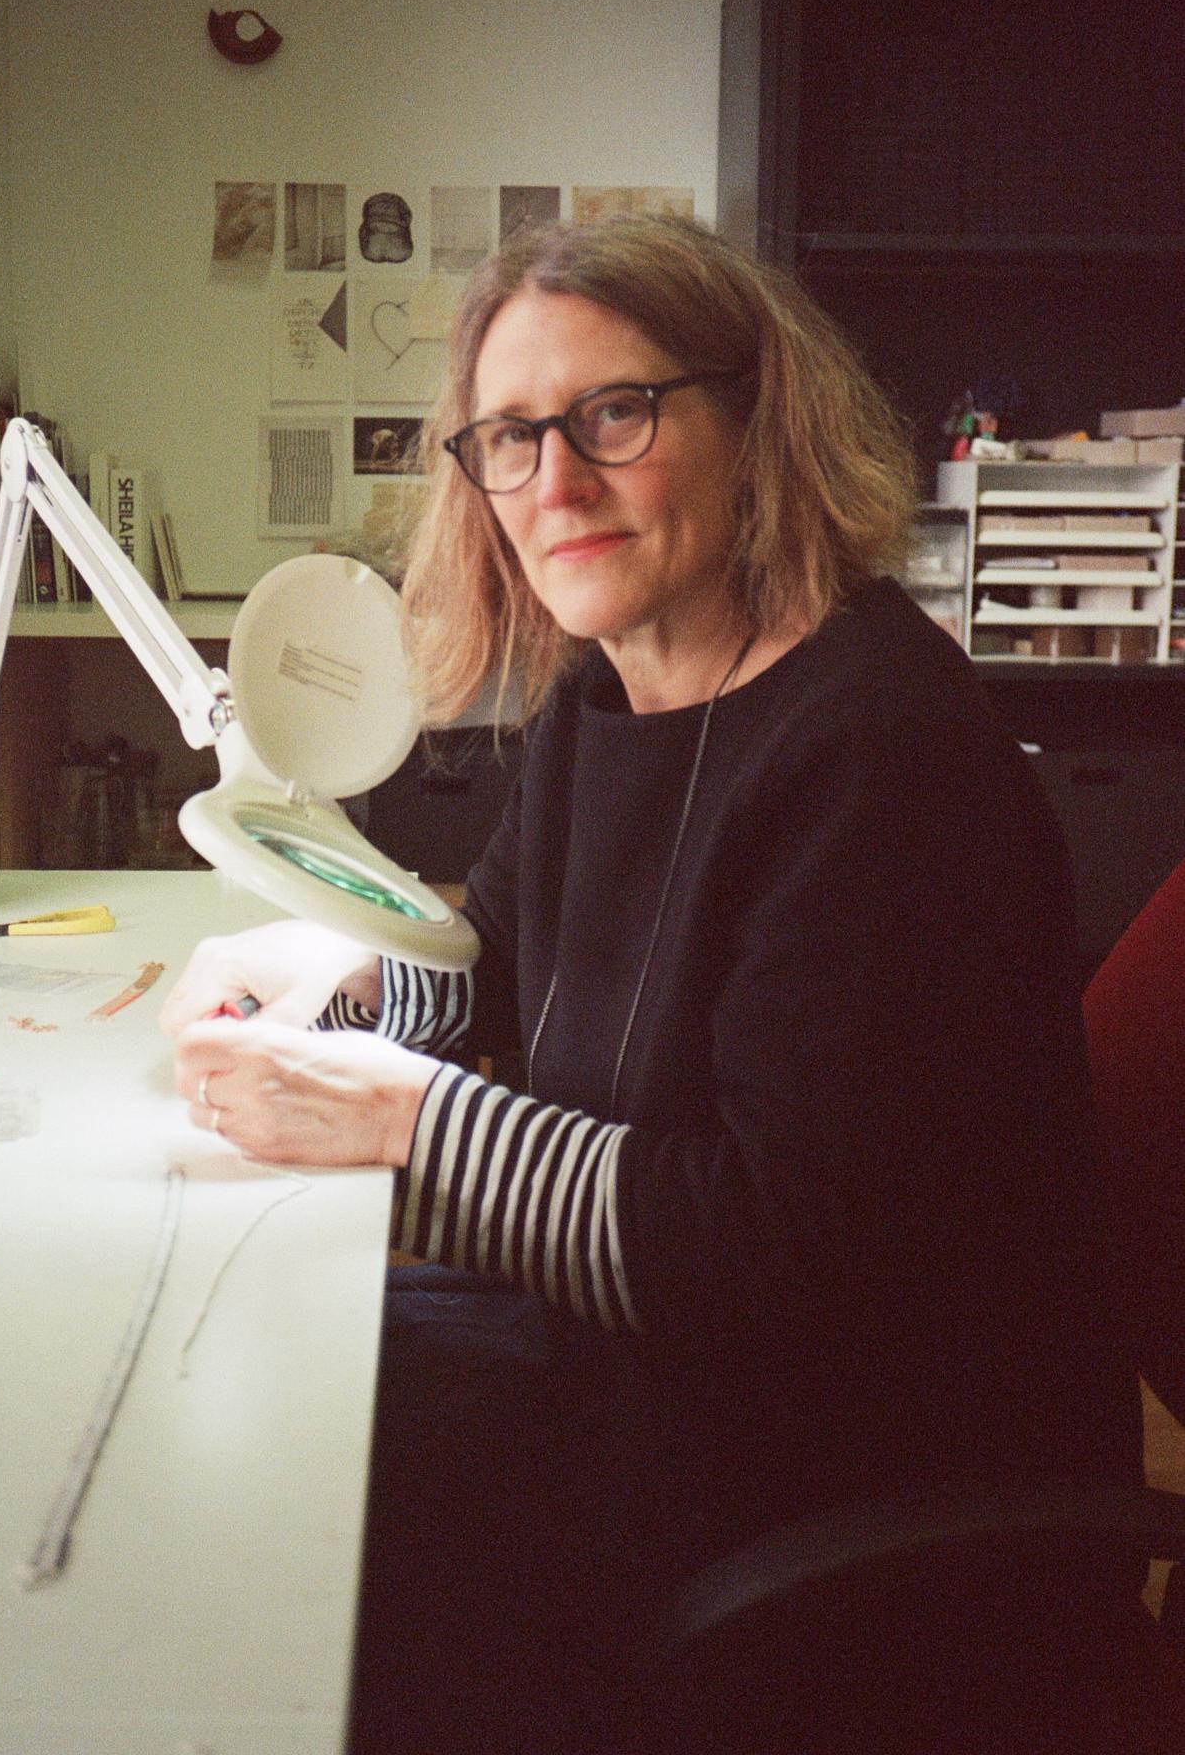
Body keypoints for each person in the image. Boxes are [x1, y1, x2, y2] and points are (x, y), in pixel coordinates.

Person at [160, 215, 1142, 1752]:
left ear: (754, 418)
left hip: (849, 1505)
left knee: (250, 1540)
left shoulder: (880, 759)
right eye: (507, 436)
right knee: (241, 1400)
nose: (554, 480)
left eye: (613, 414)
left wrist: (401, 1118)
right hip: (662, 1389)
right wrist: (339, 985)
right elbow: (506, 993)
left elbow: (770, 1264)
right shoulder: (605, 696)